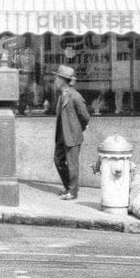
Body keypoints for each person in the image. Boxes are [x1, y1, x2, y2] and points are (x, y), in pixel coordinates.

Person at [52, 64, 90, 200]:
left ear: (63, 80)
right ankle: (69, 186)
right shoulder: (62, 95)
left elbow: (85, 116)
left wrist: (81, 127)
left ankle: (72, 192)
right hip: (62, 135)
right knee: (58, 160)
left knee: (72, 164)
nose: (55, 81)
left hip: (72, 135)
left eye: (57, 78)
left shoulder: (75, 96)